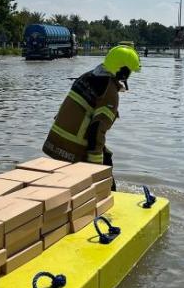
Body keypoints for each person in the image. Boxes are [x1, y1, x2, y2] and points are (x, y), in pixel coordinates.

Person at [42, 45, 141, 191]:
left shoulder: (87, 76)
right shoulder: (109, 92)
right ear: (123, 71)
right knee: (105, 169)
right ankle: (106, 202)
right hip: (70, 148)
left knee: (106, 155)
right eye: (130, 71)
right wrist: (95, 169)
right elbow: (96, 131)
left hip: (54, 142)